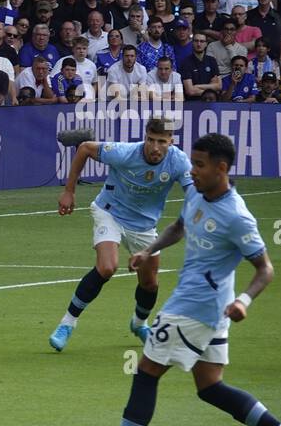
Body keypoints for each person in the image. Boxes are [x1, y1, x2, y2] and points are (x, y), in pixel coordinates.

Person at [77, 133, 281, 426]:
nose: (193, 171)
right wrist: (149, 250)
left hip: (194, 309)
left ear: (222, 168)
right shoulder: (196, 194)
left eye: (199, 165)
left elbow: (265, 269)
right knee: (210, 387)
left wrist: (244, 301)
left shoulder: (236, 216)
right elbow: (178, 226)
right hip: (206, 311)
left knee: (146, 373)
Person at [51, 118, 192, 352]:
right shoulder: (125, 152)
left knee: (149, 283)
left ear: (171, 142)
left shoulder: (178, 161)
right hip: (110, 212)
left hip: (144, 225)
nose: (155, 147)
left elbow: (193, 191)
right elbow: (85, 147)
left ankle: (139, 324)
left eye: (161, 142)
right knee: (107, 267)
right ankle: (67, 323)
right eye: (151, 140)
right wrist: (69, 191)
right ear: (145, 137)